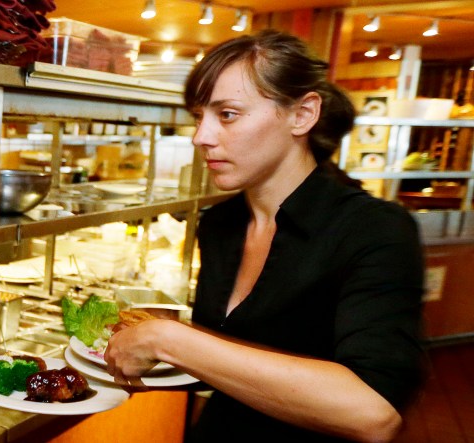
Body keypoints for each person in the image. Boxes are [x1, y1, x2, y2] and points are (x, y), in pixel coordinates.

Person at [103, 29, 426, 442]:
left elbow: (374, 414)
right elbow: (229, 355)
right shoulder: (221, 224)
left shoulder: (374, 228)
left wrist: (167, 339)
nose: (201, 136)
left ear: (303, 114)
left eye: (228, 114)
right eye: (197, 116)